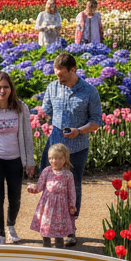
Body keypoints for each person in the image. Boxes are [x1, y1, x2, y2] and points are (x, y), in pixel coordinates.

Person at [40, 52, 102, 247]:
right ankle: (51, 225)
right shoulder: (52, 87)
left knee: (72, 187)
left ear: (73, 70)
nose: (58, 79)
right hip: (55, 147)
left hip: (78, 147)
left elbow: (96, 121)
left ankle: (70, 228)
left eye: (62, 76)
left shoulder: (89, 91)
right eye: (56, 75)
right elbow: (47, 110)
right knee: (49, 185)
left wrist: (79, 130)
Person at [0, 71, 35, 244]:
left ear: (11, 88)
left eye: (5, 87)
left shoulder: (20, 108)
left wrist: (29, 162)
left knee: (15, 198)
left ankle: (10, 226)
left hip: (15, 159)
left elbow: (27, 135)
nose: (2, 91)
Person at [28, 143, 78, 249]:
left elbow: (72, 191)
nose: (54, 161)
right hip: (46, 205)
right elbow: (40, 186)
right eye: (51, 158)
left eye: (58, 158)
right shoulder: (47, 171)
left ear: (65, 159)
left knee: (59, 228)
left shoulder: (68, 175)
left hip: (61, 206)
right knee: (46, 225)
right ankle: (46, 247)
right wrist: (33, 189)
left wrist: (72, 205)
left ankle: (59, 248)